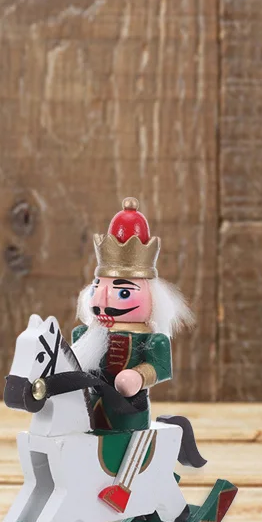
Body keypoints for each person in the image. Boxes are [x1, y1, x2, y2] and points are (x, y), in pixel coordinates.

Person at [71, 199, 193, 496]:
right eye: (99, 285)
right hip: (90, 408)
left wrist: (138, 376)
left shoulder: (152, 339)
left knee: (131, 438)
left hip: (128, 409)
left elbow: (160, 367)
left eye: (123, 291)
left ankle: (124, 490)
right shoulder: (85, 335)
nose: (105, 298)